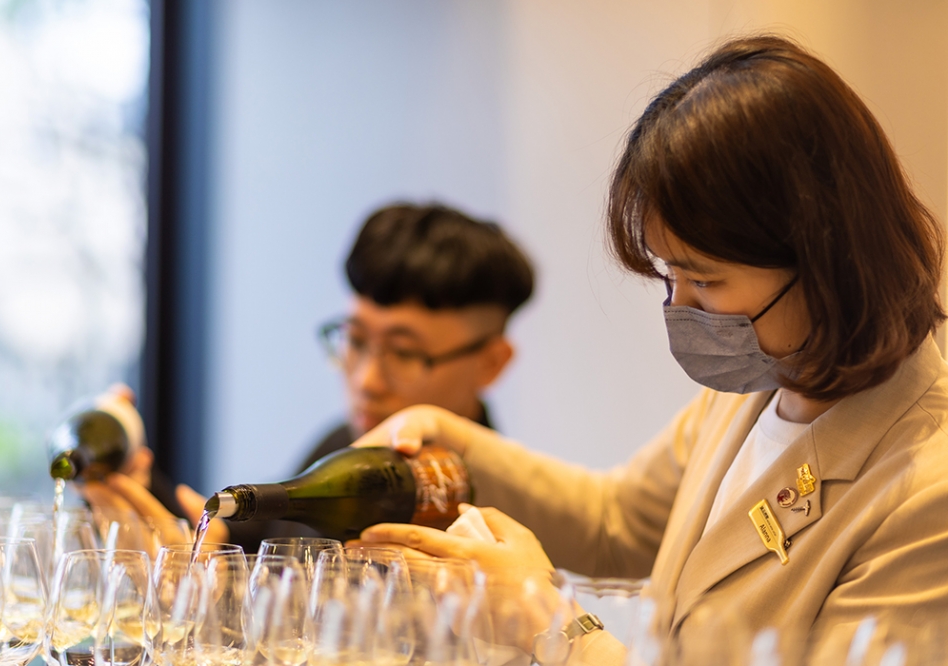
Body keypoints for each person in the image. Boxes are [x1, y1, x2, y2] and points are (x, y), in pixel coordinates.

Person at [351, 35, 948, 663]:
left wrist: (553, 626)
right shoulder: (759, 384)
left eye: (705, 281)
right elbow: (615, 523)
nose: (679, 308)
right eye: (669, 276)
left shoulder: (925, 495)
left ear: (823, 260)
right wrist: (449, 437)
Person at [81, 202, 535, 552]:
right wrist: (133, 482)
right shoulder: (344, 445)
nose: (367, 380)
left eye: (404, 353)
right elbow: (243, 542)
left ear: (492, 363)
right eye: (356, 340)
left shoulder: (500, 527)